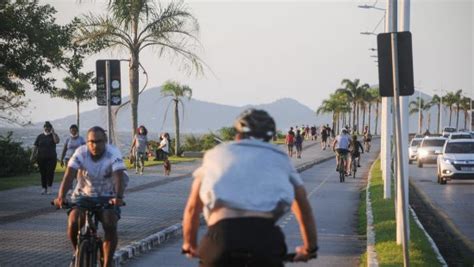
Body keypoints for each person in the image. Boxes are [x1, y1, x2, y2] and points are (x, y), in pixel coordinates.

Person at [182, 109, 318, 266]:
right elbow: (303, 207)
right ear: (269, 137)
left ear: (237, 134)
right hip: (264, 240)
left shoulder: (215, 154)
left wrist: (189, 244)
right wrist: (309, 248)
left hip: (220, 238)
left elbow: (192, 208)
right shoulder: (280, 158)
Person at [53, 126, 128, 267]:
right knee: (74, 222)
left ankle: (107, 263)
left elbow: (118, 176)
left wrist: (118, 197)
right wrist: (61, 196)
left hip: (108, 195)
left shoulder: (113, 153)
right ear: (86, 142)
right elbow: (69, 175)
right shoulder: (81, 152)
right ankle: (77, 253)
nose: (95, 145)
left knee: (109, 223)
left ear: (105, 141)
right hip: (84, 194)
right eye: (91, 141)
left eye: (99, 141)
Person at [31, 121, 60, 195]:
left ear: (51, 128)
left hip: (51, 158)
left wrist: (53, 133)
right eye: (46, 127)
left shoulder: (54, 135)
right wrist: (32, 156)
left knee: (50, 172)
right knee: (43, 173)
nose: (47, 129)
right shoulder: (40, 136)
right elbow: (35, 147)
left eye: (49, 127)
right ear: (44, 128)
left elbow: (56, 141)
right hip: (41, 158)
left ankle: (49, 187)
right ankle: (44, 188)